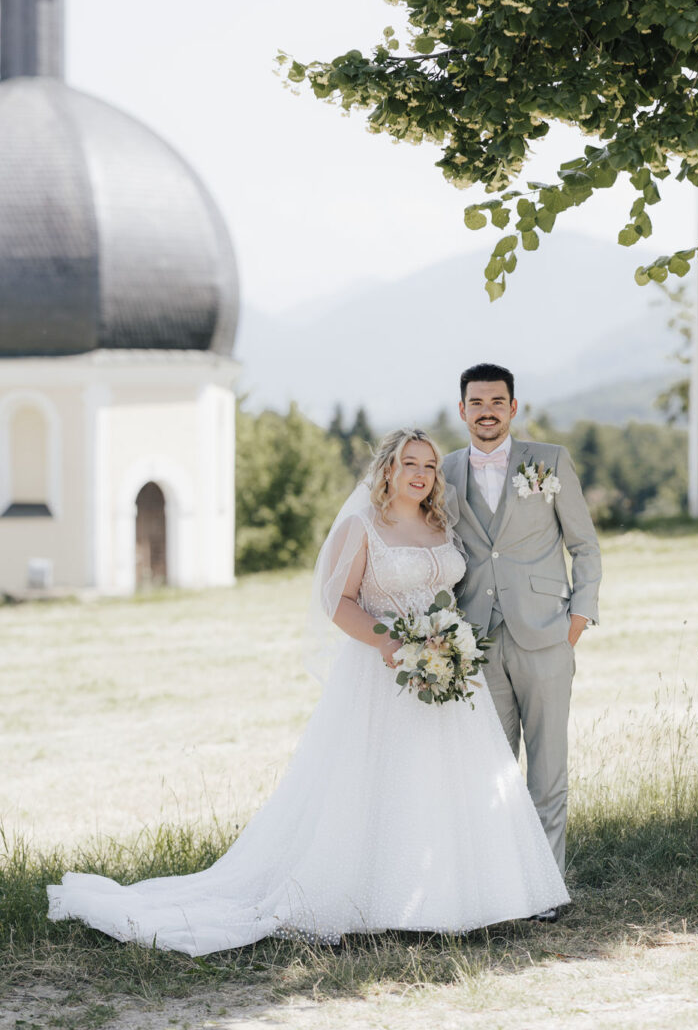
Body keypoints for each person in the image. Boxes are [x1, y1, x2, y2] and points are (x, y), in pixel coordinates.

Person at [47, 429, 568, 955]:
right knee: (379, 784)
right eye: (409, 463)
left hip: (450, 676)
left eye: (429, 467)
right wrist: (394, 644)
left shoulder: (440, 523)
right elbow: (336, 600)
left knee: (450, 782)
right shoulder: (362, 525)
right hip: (384, 671)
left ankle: (458, 898)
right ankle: (375, 900)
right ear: (387, 468)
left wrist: (446, 645)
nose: (420, 474)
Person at [443, 364, 601, 915]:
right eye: (476, 402)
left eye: (497, 401)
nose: (487, 410)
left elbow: (585, 546)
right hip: (477, 641)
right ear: (461, 410)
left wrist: (577, 621)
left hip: (547, 636)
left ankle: (547, 892)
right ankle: (498, 889)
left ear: (513, 407)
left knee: (547, 770)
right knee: (490, 771)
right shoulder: (442, 473)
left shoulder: (549, 461)